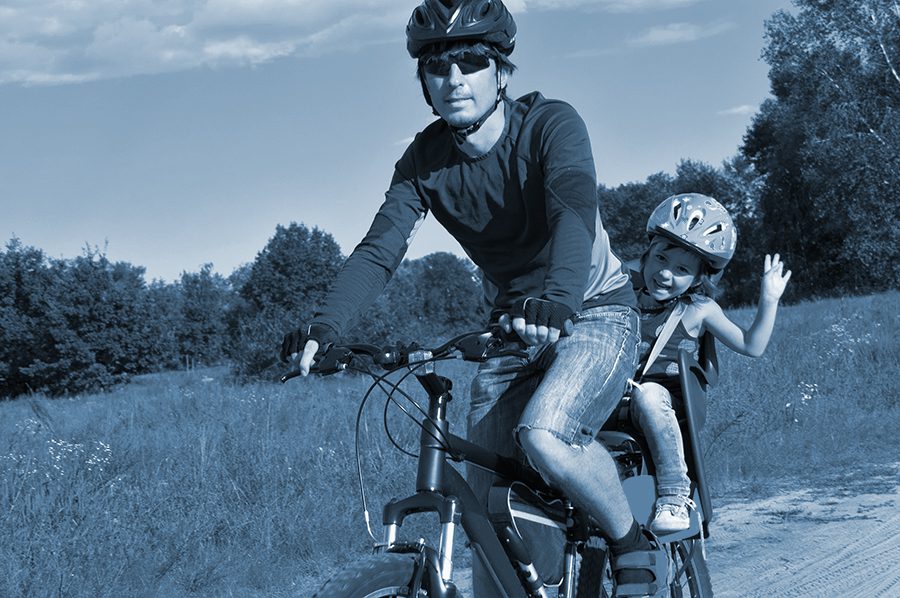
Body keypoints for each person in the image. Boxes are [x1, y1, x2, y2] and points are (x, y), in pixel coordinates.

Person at [281, 0, 667, 594]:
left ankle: (629, 542)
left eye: (470, 60)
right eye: (438, 67)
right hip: (515, 327)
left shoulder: (551, 125)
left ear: (501, 72)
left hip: (595, 310)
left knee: (547, 436)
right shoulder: (422, 162)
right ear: (425, 84)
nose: (454, 78)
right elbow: (379, 250)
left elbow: (572, 210)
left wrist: (560, 300)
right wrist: (322, 327)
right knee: (486, 502)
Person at [627, 193, 791, 533]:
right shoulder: (622, 295)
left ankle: (675, 495)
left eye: (683, 269)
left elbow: (752, 345)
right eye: (661, 258)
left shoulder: (699, 309)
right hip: (613, 394)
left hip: (663, 404)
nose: (666, 274)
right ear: (647, 254)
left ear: (700, 277)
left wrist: (769, 299)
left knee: (649, 393)